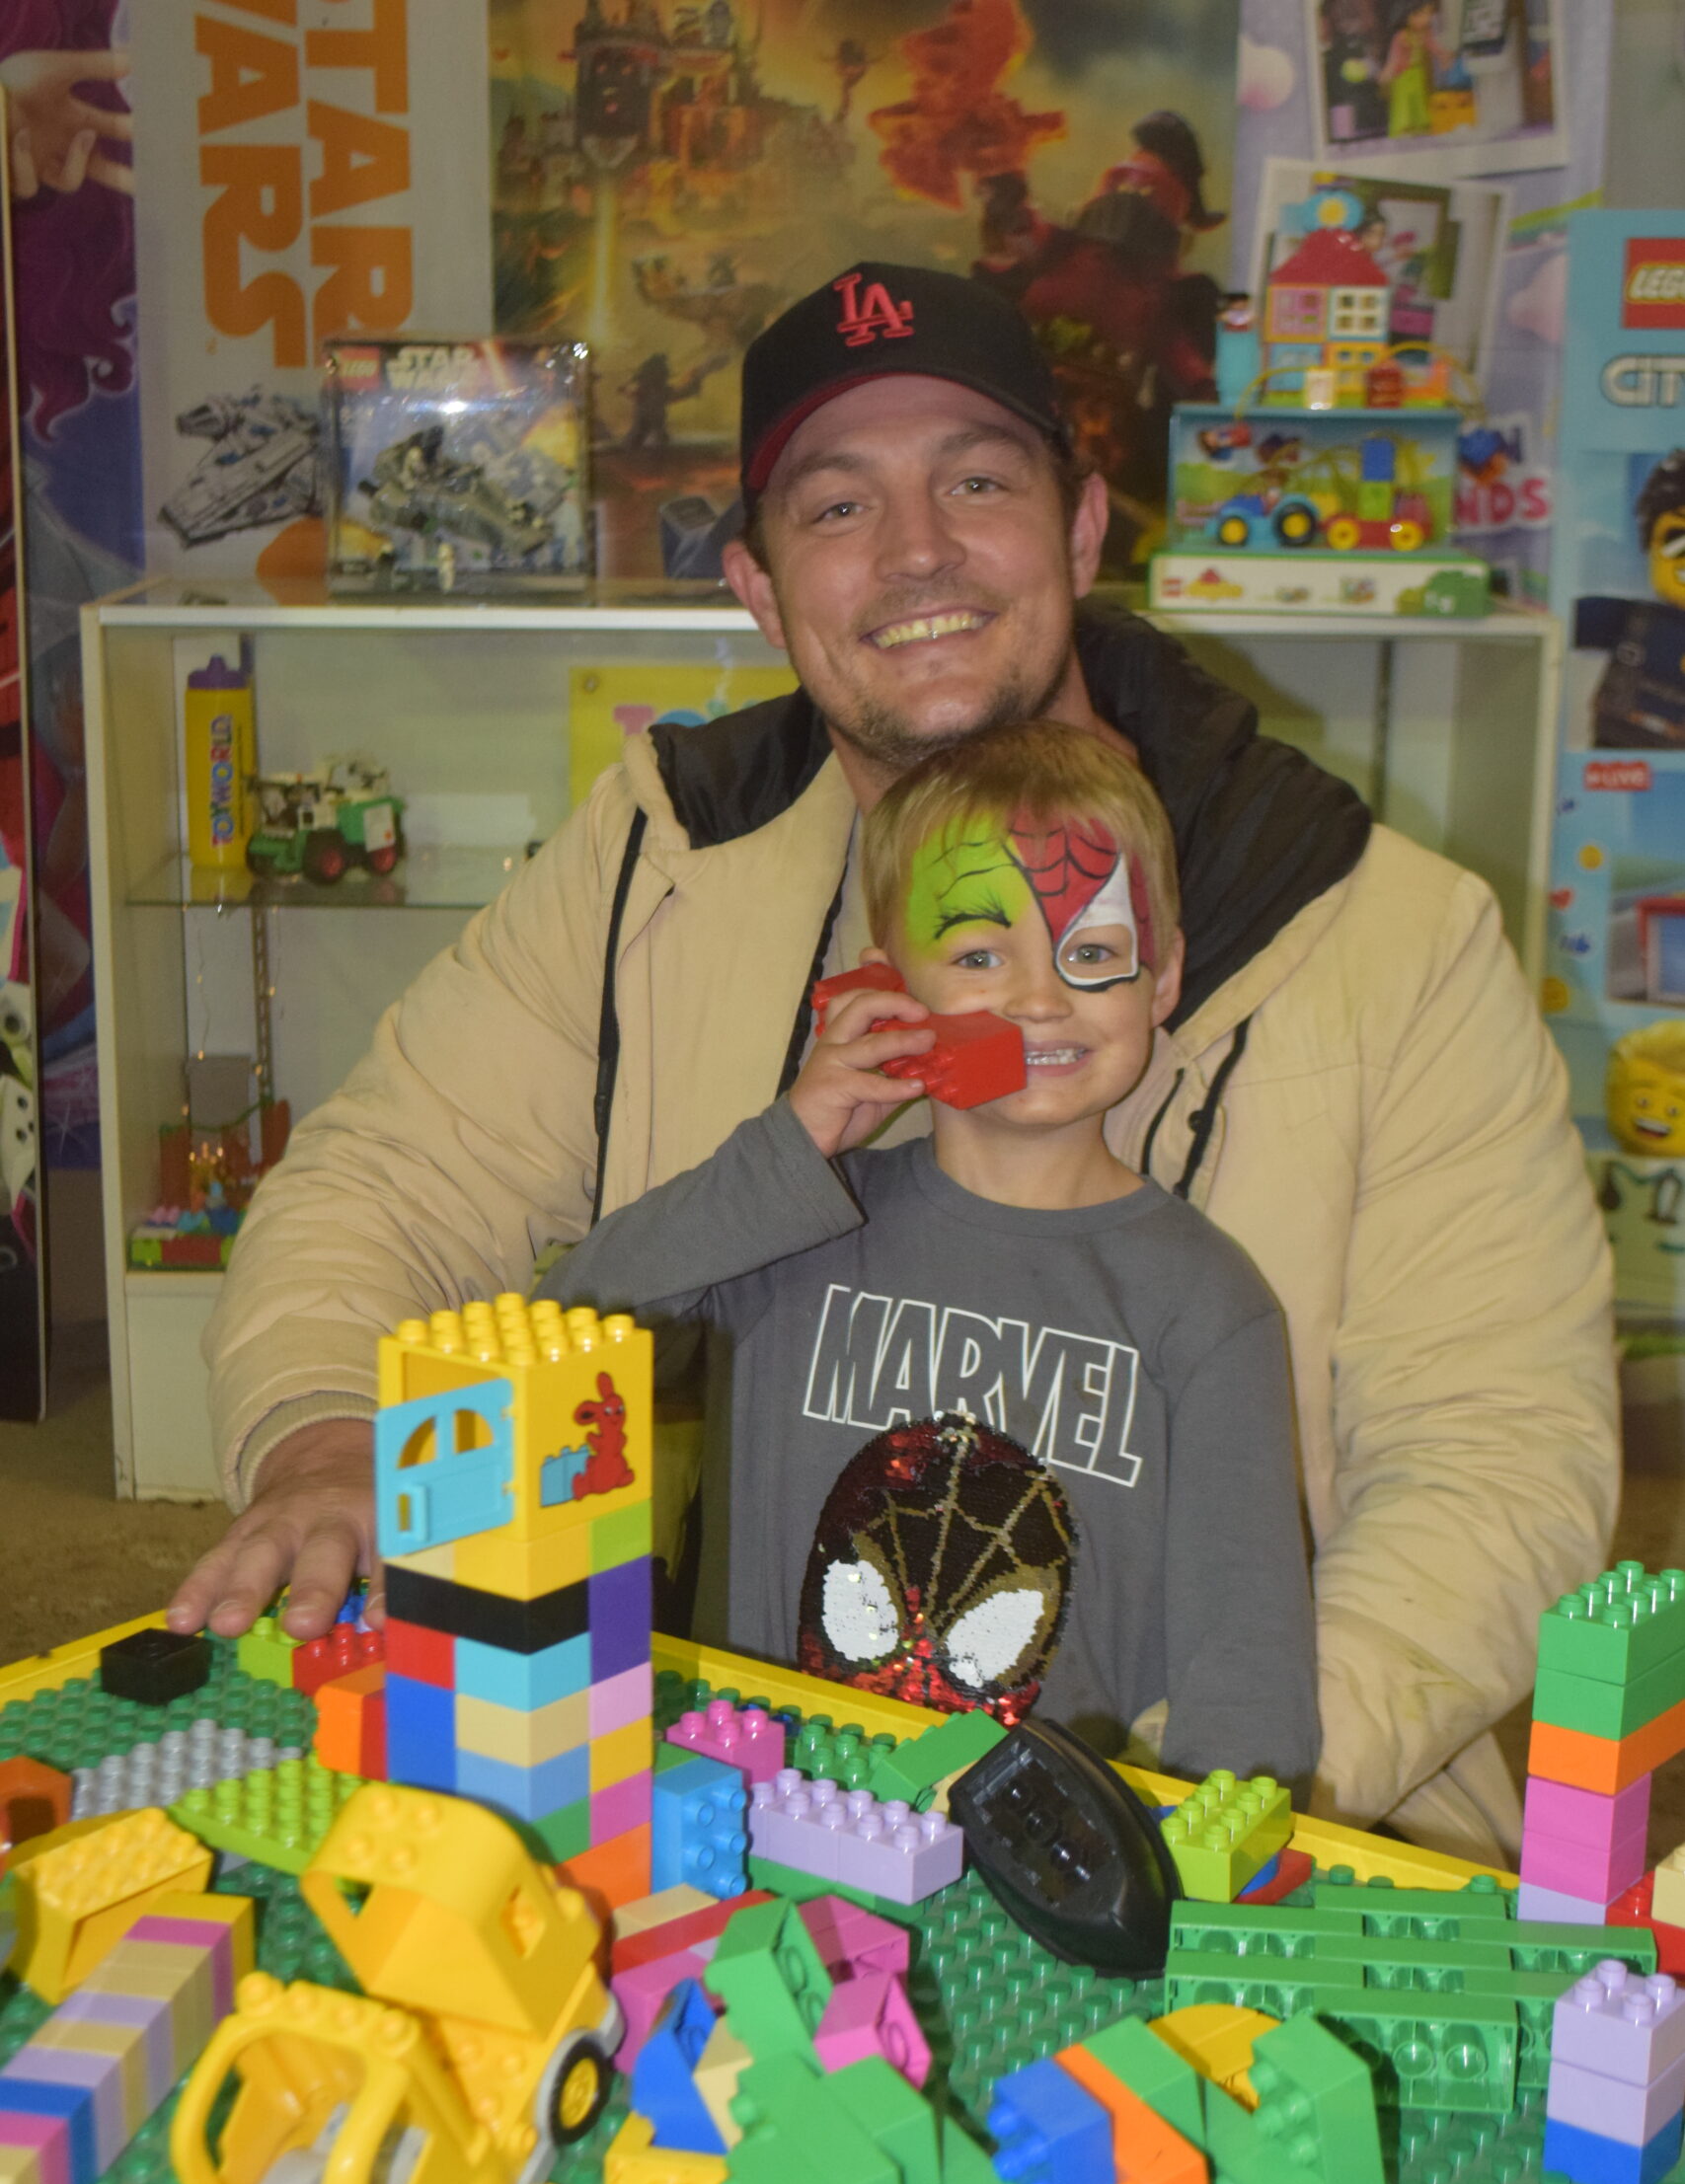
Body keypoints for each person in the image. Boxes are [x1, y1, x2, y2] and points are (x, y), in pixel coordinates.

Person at [174, 260, 1617, 1864]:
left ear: (1080, 532)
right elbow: (394, 1177)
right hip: (771, 1770)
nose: (918, 553)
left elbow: (1495, 1462)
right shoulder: (660, 845)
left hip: (1252, 1814)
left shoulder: (1379, 932)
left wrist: (1163, 1812)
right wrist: (323, 1439)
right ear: (759, 588)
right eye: (838, 506)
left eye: (976, 482)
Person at [545, 719, 1321, 1780]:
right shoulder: (799, 1223)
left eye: (1092, 953)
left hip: (1044, 1879)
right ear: (892, 983)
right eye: (978, 953)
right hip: (757, 1829)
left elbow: (1250, 1670)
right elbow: (556, 1338)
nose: (1041, 997)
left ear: (1165, 977)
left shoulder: (1205, 1303)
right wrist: (789, 1147)